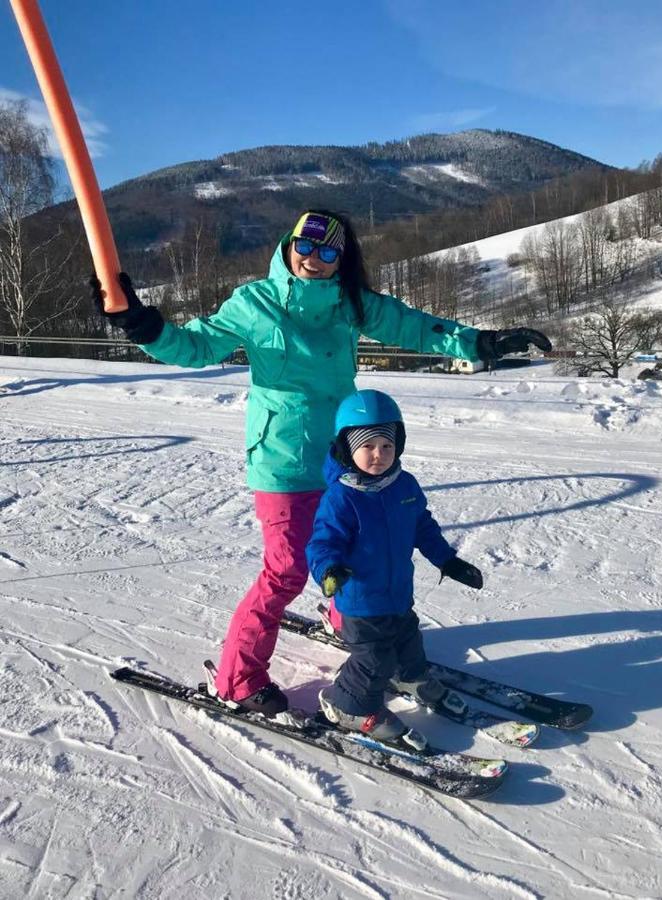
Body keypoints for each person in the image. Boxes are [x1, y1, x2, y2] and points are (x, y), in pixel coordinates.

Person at [92, 209, 551, 717]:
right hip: (282, 458)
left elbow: (412, 326)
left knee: (359, 545)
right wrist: (142, 323)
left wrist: (478, 342)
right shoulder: (254, 302)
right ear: (288, 246)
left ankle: (347, 619)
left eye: (329, 252)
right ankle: (237, 676)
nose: (314, 259)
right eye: (306, 247)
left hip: (343, 454)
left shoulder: (349, 305)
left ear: (342, 260)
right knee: (286, 569)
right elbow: (196, 346)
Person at [306, 389, 483, 748]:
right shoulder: (342, 496)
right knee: (373, 658)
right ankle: (347, 705)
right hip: (361, 600)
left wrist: (447, 560)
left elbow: (422, 526)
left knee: (407, 641)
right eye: (367, 446)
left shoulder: (403, 484)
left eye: (387, 446)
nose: (378, 455)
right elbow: (322, 543)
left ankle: (411, 678)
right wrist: (329, 571)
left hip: (398, 593)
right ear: (346, 448)